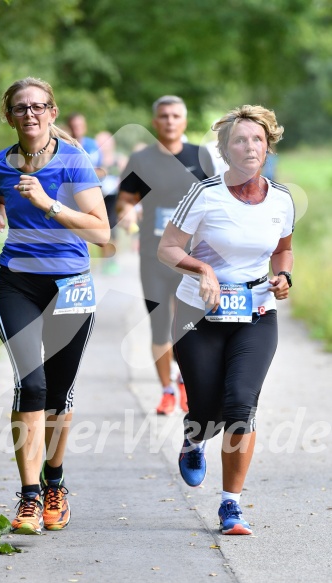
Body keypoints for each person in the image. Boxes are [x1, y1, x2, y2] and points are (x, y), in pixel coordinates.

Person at [0, 77, 110, 535]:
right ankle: (30, 496)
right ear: (10, 115)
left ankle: (55, 484)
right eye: (20, 107)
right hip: (16, 283)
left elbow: (101, 232)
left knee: (58, 391)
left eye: (38, 106)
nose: (29, 114)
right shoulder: (1, 162)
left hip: (70, 286)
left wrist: (50, 204)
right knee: (30, 384)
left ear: (52, 113)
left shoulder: (76, 162)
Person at [158, 104, 294, 535]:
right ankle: (194, 437)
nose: (249, 146)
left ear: (267, 145)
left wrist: (284, 276)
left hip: (256, 312)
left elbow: (283, 249)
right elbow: (168, 248)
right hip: (199, 314)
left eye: (257, 139)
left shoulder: (282, 199)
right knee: (206, 408)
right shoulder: (204, 194)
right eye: (240, 139)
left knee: (240, 404)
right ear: (226, 149)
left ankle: (231, 505)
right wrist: (204, 270)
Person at [117, 96, 210, 415]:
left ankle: (185, 384)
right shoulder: (142, 159)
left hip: (192, 257)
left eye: (175, 115)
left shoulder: (201, 155)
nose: (170, 121)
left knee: (186, 326)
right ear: (155, 122)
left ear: (184, 121)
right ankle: (167, 390)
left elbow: (217, 198)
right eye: (164, 116)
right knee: (159, 325)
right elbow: (126, 199)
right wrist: (128, 213)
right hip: (154, 256)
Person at [95, 131, 127, 274]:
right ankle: (105, 259)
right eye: (100, 142)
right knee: (99, 230)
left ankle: (112, 260)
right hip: (98, 197)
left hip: (114, 198)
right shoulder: (94, 160)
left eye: (105, 142)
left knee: (112, 229)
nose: (103, 145)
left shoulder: (119, 159)